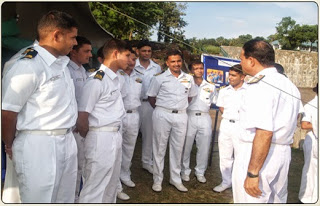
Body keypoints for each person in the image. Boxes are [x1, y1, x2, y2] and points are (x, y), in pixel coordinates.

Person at [2, 10, 78, 203]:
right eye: (72, 37)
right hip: (39, 145)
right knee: (40, 199)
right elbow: (8, 113)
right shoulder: (27, 65)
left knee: (65, 198)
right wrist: (9, 144)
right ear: (57, 35)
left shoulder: (61, 64)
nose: (75, 43)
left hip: (66, 141)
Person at [232, 39, 301, 203]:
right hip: (281, 153)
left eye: (241, 58)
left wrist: (252, 173)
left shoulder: (260, 86)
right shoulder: (288, 84)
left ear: (251, 60)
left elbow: (264, 132)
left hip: (259, 155)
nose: (240, 62)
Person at [76, 39, 130, 203]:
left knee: (111, 184)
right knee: (95, 186)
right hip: (100, 137)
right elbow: (82, 117)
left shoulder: (114, 79)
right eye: (127, 55)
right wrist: (92, 137)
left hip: (114, 135)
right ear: (115, 54)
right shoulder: (96, 80)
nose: (129, 59)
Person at [147, 49, 197, 192]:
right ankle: (157, 179)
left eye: (179, 61)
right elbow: (152, 97)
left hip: (181, 115)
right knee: (159, 147)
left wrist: (179, 107)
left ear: (182, 61)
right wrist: (163, 108)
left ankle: (175, 179)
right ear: (167, 63)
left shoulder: (189, 78)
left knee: (177, 148)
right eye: (173, 61)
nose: (176, 64)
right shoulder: (159, 78)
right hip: (162, 113)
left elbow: (190, 96)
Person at [181, 61, 217, 184]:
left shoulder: (211, 86)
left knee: (204, 146)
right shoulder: (186, 84)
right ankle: (185, 170)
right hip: (189, 115)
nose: (199, 70)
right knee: (186, 145)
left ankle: (200, 171)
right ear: (192, 70)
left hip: (204, 117)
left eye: (201, 68)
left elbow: (213, 101)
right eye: (196, 68)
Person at [213, 64, 247, 193]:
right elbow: (221, 107)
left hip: (242, 125)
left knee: (241, 156)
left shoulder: (249, 91)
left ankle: (240, 183)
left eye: (233, 75)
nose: (230, 78)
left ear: (242, 76)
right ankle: (226, 181)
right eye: (229, 75)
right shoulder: (224, 91)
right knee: (225, 155)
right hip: (226, 124)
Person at [67, 35, 92, 202]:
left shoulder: (84, 70)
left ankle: (78, 195)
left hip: (82, 125)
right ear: (73, 52)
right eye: (86, 51)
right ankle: (72, 197)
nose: (90, 54)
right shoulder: (66, 70)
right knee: (74, 166)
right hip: (72, 126)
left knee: (82, 163)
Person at [117, 49, 142, 201]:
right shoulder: (116, 75)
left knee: (129, 147)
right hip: (119, 116)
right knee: (117, 149)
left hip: (134, 114)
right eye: (129, 58)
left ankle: (125, 174)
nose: (131, 62)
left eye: (134, 60)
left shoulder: (139, 77)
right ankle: (116, 184)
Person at [135, 40, 161, 174]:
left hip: (149, 104)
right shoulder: (132, 64)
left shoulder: (156, 68)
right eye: (144, 51)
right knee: (130, 134)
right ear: (137, 51)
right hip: (133, 104)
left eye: (149, 51)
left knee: (149, 134)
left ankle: (146, 162)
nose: (146, 53)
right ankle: (124, 164)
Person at [298, 83, 318, 203]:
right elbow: (304, 124)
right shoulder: (311, 105)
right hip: (313, 141)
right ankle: (306, 198)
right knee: (310, 171)